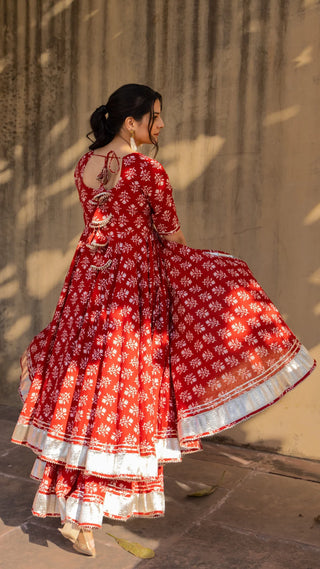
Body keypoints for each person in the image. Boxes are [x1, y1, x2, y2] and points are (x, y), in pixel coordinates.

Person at [12, 84, 316, 557]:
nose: (161, 124)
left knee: (83, 389)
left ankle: (73, 507)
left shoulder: (85, 166)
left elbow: (103, 222)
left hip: (86, 289)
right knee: (117, 393)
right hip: (131, 295)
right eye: (155, 116)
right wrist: (203, 272)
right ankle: (84, 513)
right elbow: (170, 233)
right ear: (130, 123)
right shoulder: (146, 169)